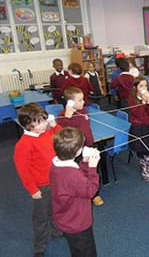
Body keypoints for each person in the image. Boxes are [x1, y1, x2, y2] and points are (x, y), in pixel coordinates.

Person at [13, 103, 62, 257]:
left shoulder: (45, 134)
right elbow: (23, 170)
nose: (45, 123)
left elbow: (60, 139)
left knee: (55, 208)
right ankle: (39, 246)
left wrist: (55, 126)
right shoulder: (23, 145)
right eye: (40, 121)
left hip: (55, 180)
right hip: (42, 186)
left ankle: (57, 231)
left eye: (44, 119)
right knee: (40, 217)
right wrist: (33, 189)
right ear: (29, 125)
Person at [50, 127, 100, 257]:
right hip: (77, 223)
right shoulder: (71, 175)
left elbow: (78, 181)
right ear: (78, 151)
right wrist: (93, 167)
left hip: (65, 218)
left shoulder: (57, 164)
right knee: (86, 251)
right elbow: (90, 191)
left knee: (77, 249)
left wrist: (84, 163)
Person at [57, 86, 104, 206]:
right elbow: (63, 131)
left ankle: (94, 194)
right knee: (79, 172)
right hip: (76, 149)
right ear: (70, 102)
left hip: (89, 144)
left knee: (93, 169)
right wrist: (67, 117)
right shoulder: (63, 116)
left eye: (83, 99)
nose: (84, 102)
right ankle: (82, 193)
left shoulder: (84, 111)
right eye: (80, 100)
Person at [128, 76, 149, 181]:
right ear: (135, 87)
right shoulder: (132, 99)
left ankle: (148, 168)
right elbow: (138, 113)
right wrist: (143, 102)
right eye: (141, 86)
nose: (144, 88)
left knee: (147, 148)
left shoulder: (147, 97)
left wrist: (148, 101)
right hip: (137, 127)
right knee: (140, 150)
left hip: (146, 126)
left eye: (145, 86)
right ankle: (144, 170)